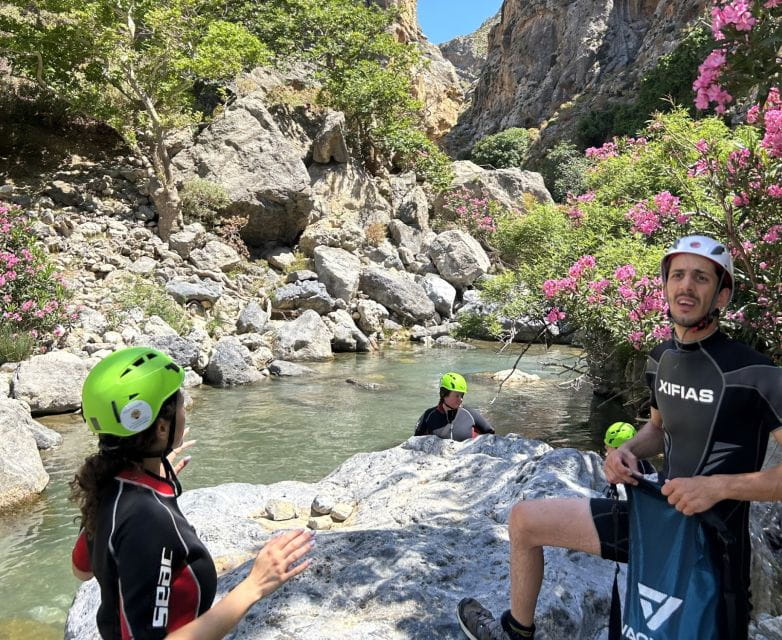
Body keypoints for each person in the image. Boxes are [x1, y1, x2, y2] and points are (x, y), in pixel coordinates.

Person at [456, 235, 782, 640]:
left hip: (714, 548)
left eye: (701, 277)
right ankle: (515, 632)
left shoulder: (756, 373)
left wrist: (717, 487)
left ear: (722, 295)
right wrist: (625, 450)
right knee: (524, 521)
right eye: (677, 275)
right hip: (654, 520)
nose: (686, 285)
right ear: (664, 286)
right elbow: (658, 430)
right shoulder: (660, 360)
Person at [70, 346, 314, 640]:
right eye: (182, 404)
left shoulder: (110, 485)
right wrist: (255, 586)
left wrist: (154, 479)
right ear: (161, 427)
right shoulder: (148, 520)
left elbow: (82, 569)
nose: (186, 410)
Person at [414, 372, 495, 441]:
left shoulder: (470, 414)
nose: (461, 399)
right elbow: (415, 441)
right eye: (457, 395)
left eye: (462, 395)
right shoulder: (429, 415)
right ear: (444, 394)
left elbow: (490, 433)